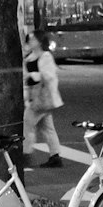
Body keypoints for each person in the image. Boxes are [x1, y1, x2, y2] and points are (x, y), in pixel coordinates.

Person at [23, 29, 64, 167]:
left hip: (41, 97)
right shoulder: (29, 57)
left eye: (33, 39)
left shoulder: (45, 56)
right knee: (47, 128)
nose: (30, 41)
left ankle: (26, 155)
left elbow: (50, 75)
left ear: (40, 41)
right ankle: (55, 156)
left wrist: (34, 75)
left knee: (27, 125)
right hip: (36, 97)